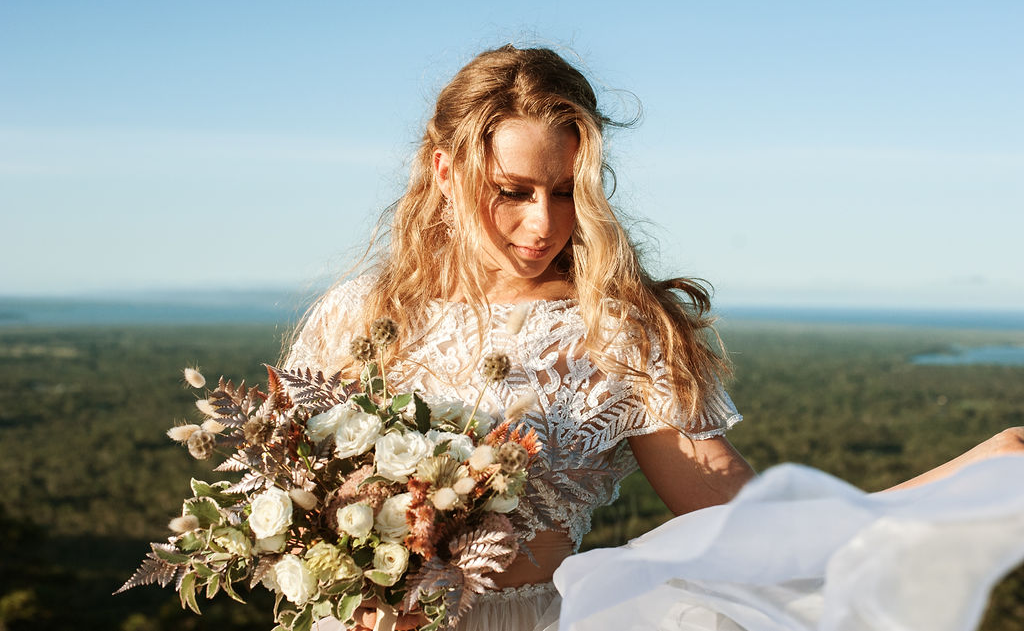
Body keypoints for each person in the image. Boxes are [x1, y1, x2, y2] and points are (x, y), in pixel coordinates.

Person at [284, 45, 1024, 631]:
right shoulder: (354, 316)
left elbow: (748, 529)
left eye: (568, 190)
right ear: (446, 171)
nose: (543, 223)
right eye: (512, 191)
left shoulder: (618, 330)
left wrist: (969, 476)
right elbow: (276, 509)